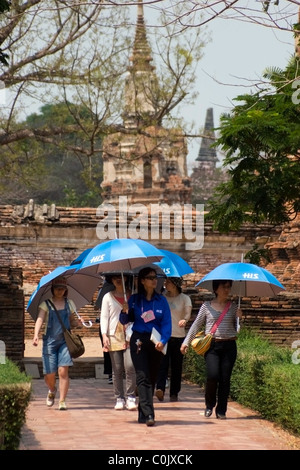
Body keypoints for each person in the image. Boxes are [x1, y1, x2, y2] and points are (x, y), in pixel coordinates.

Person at [180, 279, 242, 420]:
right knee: (213, 375)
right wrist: (186, 342)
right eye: (224, 287)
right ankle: (209, 404)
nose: (227, 290)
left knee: (225, 379)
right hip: (212, 346)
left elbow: (237, 330)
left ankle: (221, 410)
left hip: (229, 345)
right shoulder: (206, 306)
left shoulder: (233, 307)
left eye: (228, 287)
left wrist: (240, 319)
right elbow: (196, 325)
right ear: (216, 289)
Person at [119, 267, 172, 426]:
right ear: (142, 281)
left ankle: (143, 413)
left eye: (155, 277)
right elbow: (124, 320)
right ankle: (150, 414)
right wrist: (124, 310)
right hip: (139, 340)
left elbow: (167, 323)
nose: (154, 280)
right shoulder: (134, 300)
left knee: (152, 378)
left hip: (156, 342)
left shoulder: (161, 300)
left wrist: (163, 340)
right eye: (149, 278)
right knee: (142, 376)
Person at [32, 276, 82, 411]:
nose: (60, 291)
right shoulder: (46, 304)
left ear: (66, 290)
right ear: (52, 290)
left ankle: (62, 401)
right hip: (49, 341)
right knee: (49, 373)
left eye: (62, 289)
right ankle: (52, 389)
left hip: (65, 342)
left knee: (63, 371)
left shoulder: (69, 303)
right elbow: (40, 319)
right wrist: (36, 334)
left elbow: (72, 321)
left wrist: (78, 323)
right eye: (57, 289)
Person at [101, 274, 137, 411]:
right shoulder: (107, 297)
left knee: (130, 366)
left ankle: (131, 396)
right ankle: (119, 398)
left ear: (126, 277)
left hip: (130, 335)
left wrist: (129, 308)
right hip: (113, 336)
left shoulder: (133, 295)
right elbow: (104, 317)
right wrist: (104, 335)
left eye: (120, 276)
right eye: (114, 276)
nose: (117, 279)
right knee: (117, 369)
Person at [155, 277, 192, 402]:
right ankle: (160, 388)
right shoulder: (162, 297)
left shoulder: (185, 298)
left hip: (178, 337)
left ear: (175, 284)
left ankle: (174, 392)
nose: (165, 284)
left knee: (176, 367)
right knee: (161, 364)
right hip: (164, 336)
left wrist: (185, 320)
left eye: (168, 282)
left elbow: (188, 312)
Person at [95, 279, 114, 384]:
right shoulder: (105, 291)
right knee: (107, 350)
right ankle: (111, 373)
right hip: (107, 325)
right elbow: (97, 306)